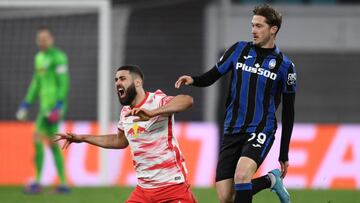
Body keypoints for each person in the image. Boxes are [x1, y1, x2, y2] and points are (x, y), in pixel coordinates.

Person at [175, 4, 296, 203]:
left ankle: (269, 179)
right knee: (226, 196)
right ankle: (270, 180)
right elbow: (213, 75)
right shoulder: (239, 50)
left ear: (273, 29)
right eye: (252, 25)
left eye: (259, 26)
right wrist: (194, 80)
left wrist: (284, 152)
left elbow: (289, 111)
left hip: (260, 128)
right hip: (232, 127)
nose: (253, 30)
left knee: (242, 176)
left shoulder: (285, 66)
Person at [55, 65, 198, 203]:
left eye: (122, 78)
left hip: (171, 187)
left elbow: (187, 100)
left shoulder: (157, 100)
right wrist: (82, 138)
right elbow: (120, 141)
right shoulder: (125, 112)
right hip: (143, 190)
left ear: (137, 82)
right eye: (116, 80)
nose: (118, 83)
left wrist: (153, 113)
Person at [16, 27, 70, 194]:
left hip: (54, 107)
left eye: (45, 38)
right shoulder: (38, 58)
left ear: (52, 39)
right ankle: (57, 183)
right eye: (40, 38)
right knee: (44, 142)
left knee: (45, 141)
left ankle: (50, 182)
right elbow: (36, 83)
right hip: (44, 107)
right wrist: (26, 103)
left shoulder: (59, 57)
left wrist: (59, 105)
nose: (42, 41)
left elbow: (64, 82)